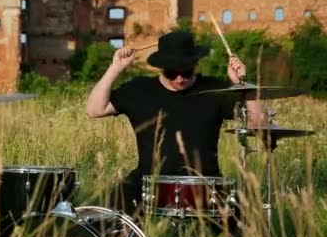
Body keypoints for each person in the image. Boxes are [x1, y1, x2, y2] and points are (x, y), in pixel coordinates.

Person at [85, 31, 262, 215]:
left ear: (196, 64)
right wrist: (115, 68)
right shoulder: (139, 89)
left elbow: (256, 122)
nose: (179, 78)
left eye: (186, 71)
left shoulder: (214, 89)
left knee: (243, 221)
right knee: (109, 215)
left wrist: (243, 84)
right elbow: (94, 109)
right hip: (147, 182)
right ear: (161, 67)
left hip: (205, 183)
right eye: (171, 72)